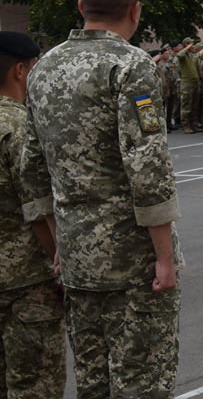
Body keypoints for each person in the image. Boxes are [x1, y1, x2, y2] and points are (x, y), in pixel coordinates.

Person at [20, 0, 182, 398]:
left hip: (75, 255)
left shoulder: (42, 69)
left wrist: (55, 247)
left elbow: (32, 169)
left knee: (94, 380)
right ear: (134, 9)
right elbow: (147, 164)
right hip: (132, 258)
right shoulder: (131, 65)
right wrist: (164, 258)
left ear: (80, 7)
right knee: (143, 380)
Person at [0, 32, 66, 398]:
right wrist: (60, 264)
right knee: (34, 385)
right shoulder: (20, 126)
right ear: (21, 71)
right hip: (25, 282)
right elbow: (38, 209)